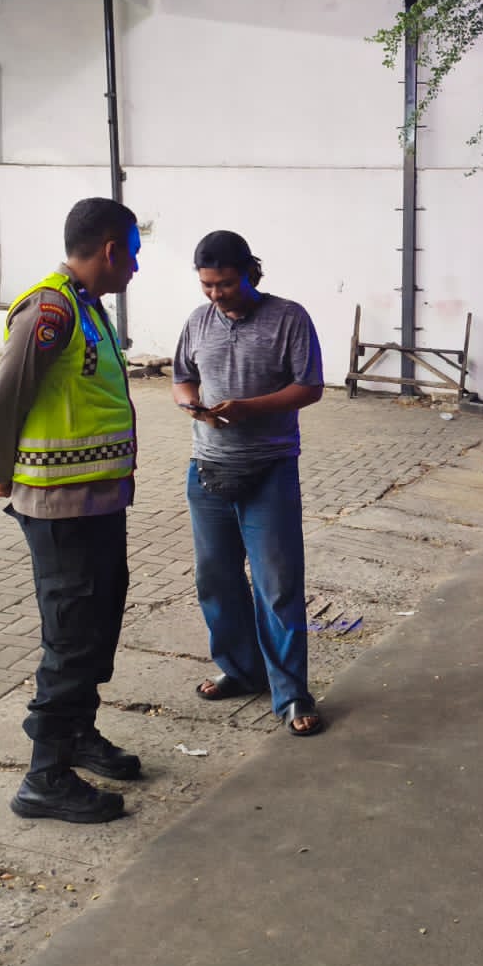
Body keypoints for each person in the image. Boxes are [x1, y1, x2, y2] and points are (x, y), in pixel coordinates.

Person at [0, 197, 142, 824]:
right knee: (71, 637)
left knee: (97, 626)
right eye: (132, 253)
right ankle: (44, 776)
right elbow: (5, 395)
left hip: (97, 501)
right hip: (60, 508)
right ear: (110, 249)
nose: (135, 267)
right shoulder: (49, 308)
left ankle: (78, 734)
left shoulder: (85, 305)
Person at [172, 231, 327, 736]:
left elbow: (310, 386)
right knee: (215, 579)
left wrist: (248, 409)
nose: (216, 294)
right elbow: (182, 377)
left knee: (278, 586)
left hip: (269, 470)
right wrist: (190, 404)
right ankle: (241, 670)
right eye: (207, 285)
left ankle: (292, 692)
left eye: (225, 283)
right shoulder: (198, 321)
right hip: (207, 468)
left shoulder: (289, 318)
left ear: (249, 273)